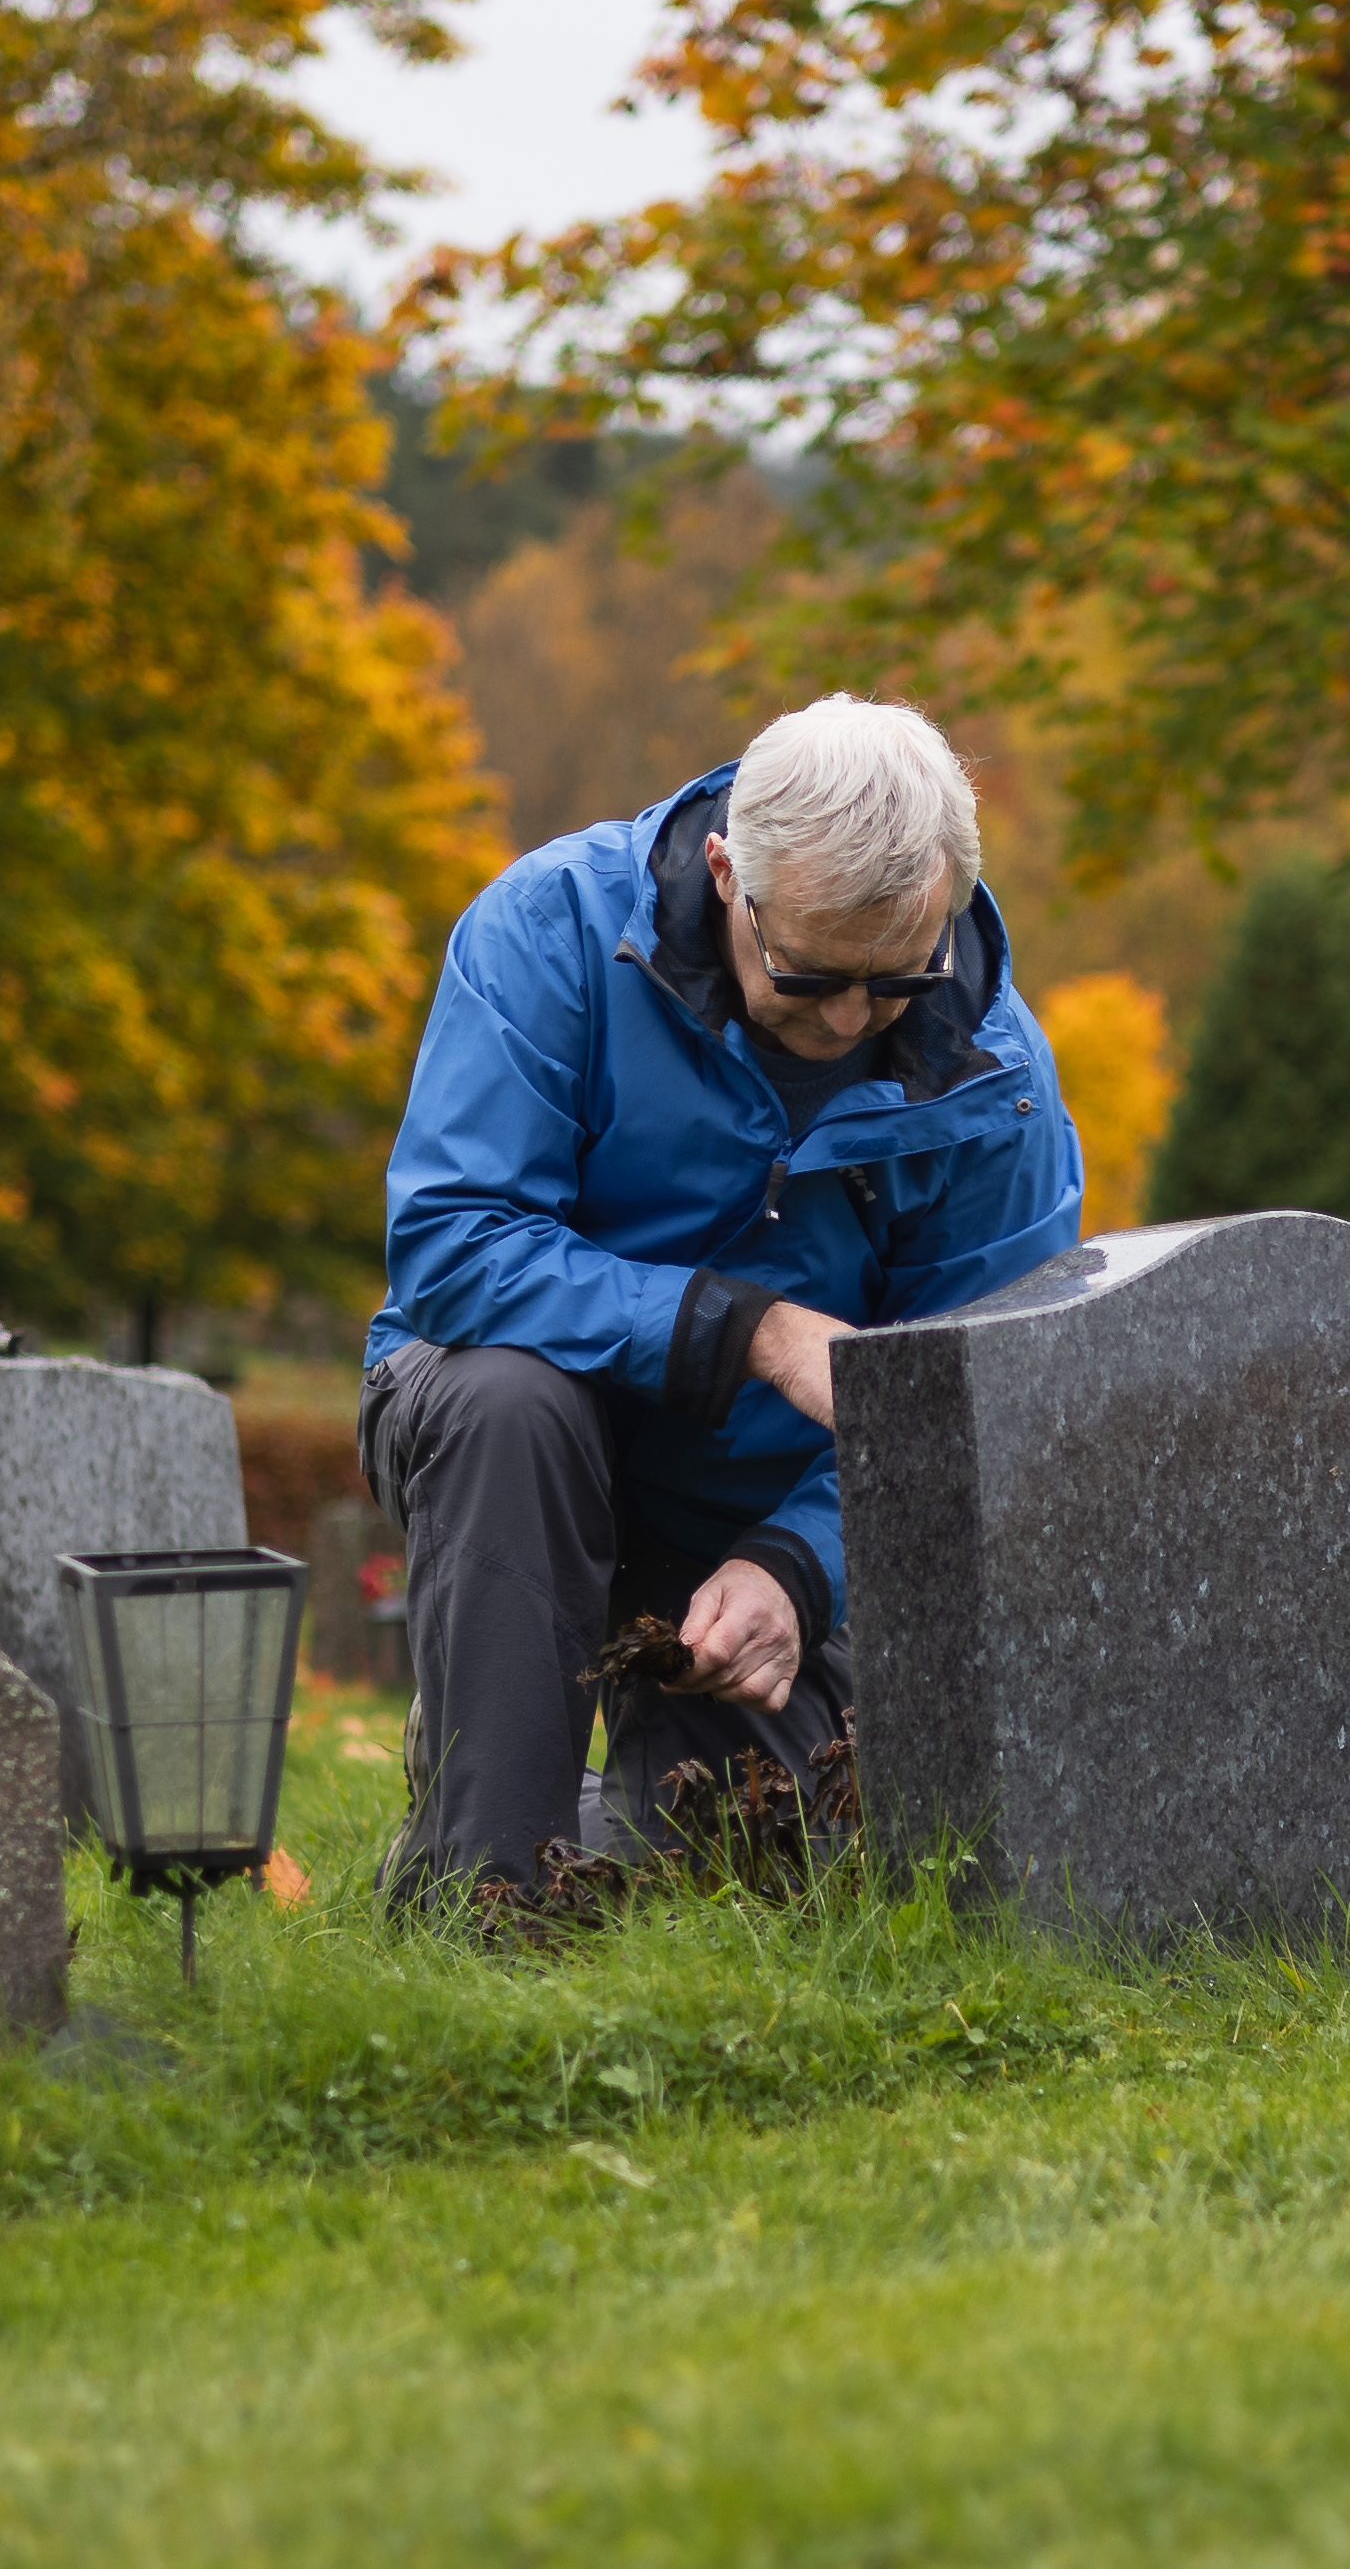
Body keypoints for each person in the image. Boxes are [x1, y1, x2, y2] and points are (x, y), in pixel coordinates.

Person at [360, 696, 1083, 1896]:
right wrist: (746, 1330)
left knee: (753, 1875)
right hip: (508, 1425)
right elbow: (450, 1246)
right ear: (724, 874)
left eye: (896, 980)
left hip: (758, 1500)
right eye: (809, 974)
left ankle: (543, 1805)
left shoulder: (995, 1076)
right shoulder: (548, 929)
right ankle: (483, 1896)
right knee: (513, 1404)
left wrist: (798, 1567)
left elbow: (973, 1403)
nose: (846, 1020)